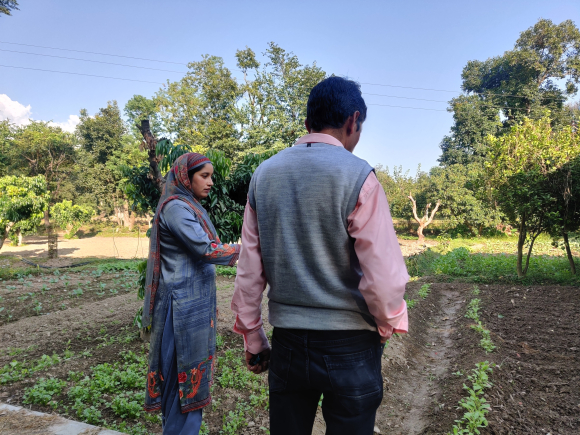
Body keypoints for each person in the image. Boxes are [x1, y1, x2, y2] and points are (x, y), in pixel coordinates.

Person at [231, 76, 409, 435]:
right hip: (351, 345)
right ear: (352, 121)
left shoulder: (264, 175)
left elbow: (250, 268)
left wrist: (253, 336)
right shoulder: (359, 177)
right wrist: (388, 321)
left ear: (308, 122)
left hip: (288, 344)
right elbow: (384, 278)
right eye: (358, 129)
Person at [143, 153, 240, 435]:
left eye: (211, 175)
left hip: (192, 306)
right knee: (180, 382)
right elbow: (206, 249)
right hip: (180, 310)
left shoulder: (190, 205)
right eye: (204, 176)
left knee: (189, 378)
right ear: (186, 177)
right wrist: (246, 250)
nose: (210, 182)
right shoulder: (176, 209)